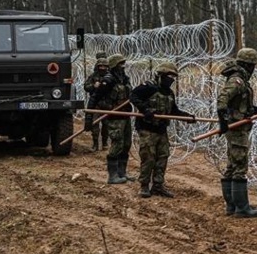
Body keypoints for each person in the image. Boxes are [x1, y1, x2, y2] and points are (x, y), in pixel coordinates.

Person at [216, 48, 257, 218]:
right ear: (247, 65)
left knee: (232, 165)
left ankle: (232, 206)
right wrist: (224, 122)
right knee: (239, 166)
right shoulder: (237, 80)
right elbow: (222, 102)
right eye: (252, 65)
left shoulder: (239, 80)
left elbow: (243, 109)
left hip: (237, 127)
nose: (253, 69)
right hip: (237, 130)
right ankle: (242, 208)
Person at [130, 61, 196, 198]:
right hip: (147, 129)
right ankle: (144, 186)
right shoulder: (148, 87)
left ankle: (158, 185)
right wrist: (144, 109)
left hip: (161, 130)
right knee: (148, 158)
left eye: (173, 77)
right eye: (169, 76)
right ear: (160, 75)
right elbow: (133, 96)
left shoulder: (169, 93)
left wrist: (187, 117)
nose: (171, 80)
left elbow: (173, 111)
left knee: (162, 158)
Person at [95, 54, 134, 184]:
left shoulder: (125, 79)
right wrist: (89, 119)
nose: (123, 66)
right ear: (114, 66)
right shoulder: (108, 80)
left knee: (126, 144)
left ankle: (122, 172)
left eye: (123, 64)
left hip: (125, 115)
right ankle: (112, 176)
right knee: (117, 143)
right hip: (114, 116)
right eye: (120, 64)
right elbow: (96, 99)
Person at [83, 52, 110, 151]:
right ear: (98, 66)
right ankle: (95, 144)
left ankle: (105, 143)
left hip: (107, 104)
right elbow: (86, 87)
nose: (102, 68)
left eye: (104, 66)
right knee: (94, 123)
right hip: (96, 104)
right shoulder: (93, 76)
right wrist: (94, 86)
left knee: (106, 125)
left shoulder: (110, 77)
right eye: (100, 66)